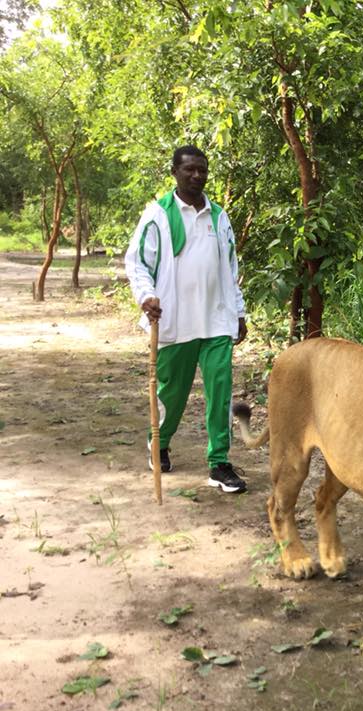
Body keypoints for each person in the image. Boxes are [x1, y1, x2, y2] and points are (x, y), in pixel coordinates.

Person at [124, 145, 248, 493]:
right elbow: (137, 264)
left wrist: (238, 311)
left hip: (216, 322)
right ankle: (159, 443)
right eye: (190, 170)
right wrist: (146, 297)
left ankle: (219, 463)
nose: (197, 176)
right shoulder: (158, 215)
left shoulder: (219, 217)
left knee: (220, 393)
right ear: (175, 172)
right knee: (172, 394)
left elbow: (230, 269)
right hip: (175, 323)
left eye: (202, 170)